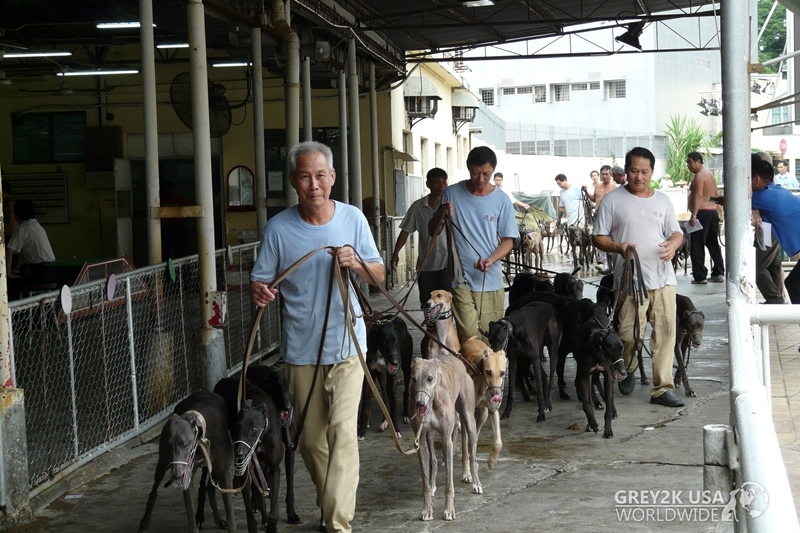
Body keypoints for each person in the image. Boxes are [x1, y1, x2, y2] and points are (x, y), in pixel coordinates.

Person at [249, 141, 384, 533]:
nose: (314, 185)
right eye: (305, 176)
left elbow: (377, 274)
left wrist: (356, 262)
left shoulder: (353, 219)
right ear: (293, 181)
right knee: (308, 441)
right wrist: (258, 290)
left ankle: (338, 524)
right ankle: (332, 508)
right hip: (301, 350)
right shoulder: (278, 229)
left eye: (321, 176)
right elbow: (261, 280)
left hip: (347, 345)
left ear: (333, 178)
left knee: (343, 431)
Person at [592, 147, 685, 408]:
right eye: (634, 171)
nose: (639, 176)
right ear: (626, 170)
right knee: (629, 334)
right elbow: (598, 237)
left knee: (666, 333)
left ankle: (662, 388)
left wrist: (673, 244)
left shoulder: (663, 200)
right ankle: (629, 365)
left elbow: (676, 233)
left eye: (645, 171)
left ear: (653, 172)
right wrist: (618, 247)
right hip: (629, 280)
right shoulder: (612, 201)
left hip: (663, 278)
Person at [437, 146, 517, 343]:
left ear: (494, 170)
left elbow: (508, 241)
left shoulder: (501, 200)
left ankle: (488, 374)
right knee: (470, 335)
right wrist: (441, 213)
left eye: (486, 174)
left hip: (489, 279)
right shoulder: (452, 193)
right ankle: (470, 375)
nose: (480, 179)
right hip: (459, 277)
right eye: (475, 173)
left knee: (490, 337)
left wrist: (491, 260)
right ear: (468, 168)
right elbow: (433, 231)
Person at [391, 167, 449, 308]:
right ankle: (429, 330)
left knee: (445, 305)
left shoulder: (450, 206)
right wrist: (396, 253)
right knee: (427, 303)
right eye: (437, 182)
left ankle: (444, 330)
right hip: (426, 265)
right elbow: (405, 231)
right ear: (428, 184)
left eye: (444, 182)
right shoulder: (418, 207)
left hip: (447, 264)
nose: (441, 186)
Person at [751, 158, 800, 304]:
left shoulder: (762, 196)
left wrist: (753, 210)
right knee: (793, 282)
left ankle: (779, 304)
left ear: (756, 178)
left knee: (793, 283)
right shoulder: (776, 190)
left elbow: (734, 199)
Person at [686, 151, 725, 284]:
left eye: (690, 162)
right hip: (712, 212)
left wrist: (694, 215)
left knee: (697, 245)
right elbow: (714, 196)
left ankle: (699, 275)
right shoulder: (710, 175)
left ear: (698, 161)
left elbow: (698, 196)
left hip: (702, 213)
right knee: (713, 243)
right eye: (687, 163)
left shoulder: (699, 176)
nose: (688, 166)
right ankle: (719, 271)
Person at [6, 199, 56, 301]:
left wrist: (8, 273)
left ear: (15, 214)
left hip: (37, 273)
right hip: (50, 271)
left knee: (8, 282)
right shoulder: (36, 225)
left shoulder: (22, 228)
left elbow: (9, 250)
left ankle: (15, 314)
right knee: (18, 274)